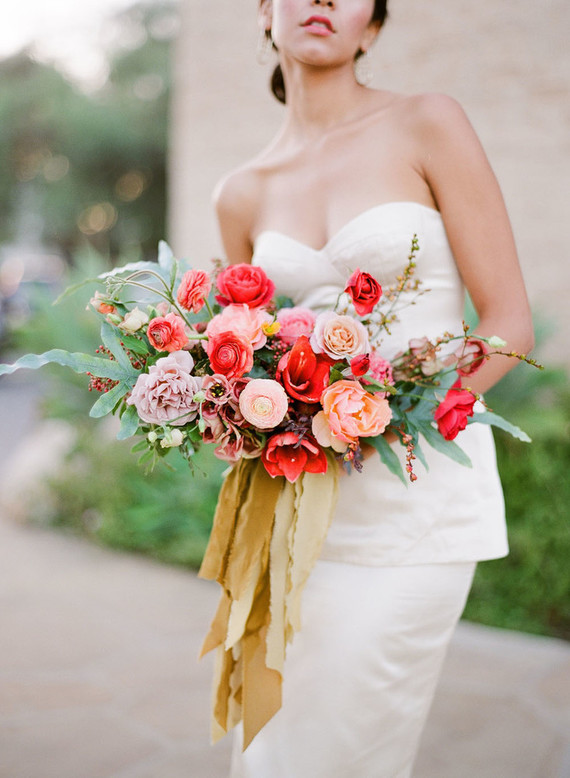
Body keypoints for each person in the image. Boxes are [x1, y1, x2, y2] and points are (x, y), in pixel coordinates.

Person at [212, 1, 534, 775]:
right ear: (265, 12)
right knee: (273, 745)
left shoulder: (428, 123)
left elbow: (508, 323)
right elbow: (240, 358)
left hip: (414, 504)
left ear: (374, 28)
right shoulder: (240, 192)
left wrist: (382, 415)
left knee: (352, 744)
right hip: (295, 512)